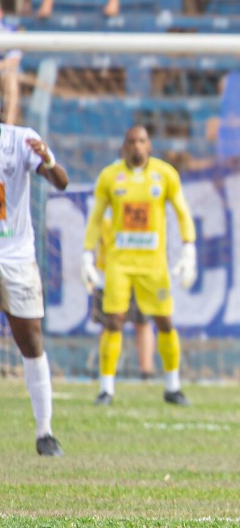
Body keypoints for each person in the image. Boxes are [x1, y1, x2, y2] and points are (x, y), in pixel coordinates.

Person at [82, 126, 198, 407]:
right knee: (113, 321)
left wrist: (189, 248)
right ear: (124, 147)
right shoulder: (110, 177)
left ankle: (172, 386)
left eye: (142, 141)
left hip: (153, 264)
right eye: (132, 141)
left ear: (150, 146)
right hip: (119, 262)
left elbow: (183, 212)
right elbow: (96, 217)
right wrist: (87, 253)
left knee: (165, 322)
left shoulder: (165, 174)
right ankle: (106, 389)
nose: (137, 146)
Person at [0, 124, 68, 456]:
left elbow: (61, 182)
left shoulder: (18, 139)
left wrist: (49, 159)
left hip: (15, 258)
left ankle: (45, 432)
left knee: (30, 340)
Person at [88, 213, 157, 382]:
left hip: (138, 271)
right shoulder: (103, 208)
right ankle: (107, 371)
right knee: (109, 324)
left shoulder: (138, 203)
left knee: (142, 322)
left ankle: (146, 372)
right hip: (108, 274)